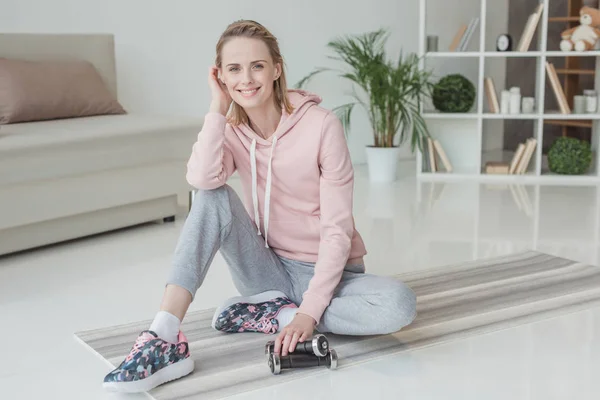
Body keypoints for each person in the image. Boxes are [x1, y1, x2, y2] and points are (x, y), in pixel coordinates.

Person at [102, 19, 417, 393]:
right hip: (267, 271)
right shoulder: (233, 130)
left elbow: (337, 229)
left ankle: (276, 313)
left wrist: (308, 313)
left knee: (400, 304)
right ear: (220, 76)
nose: (246, 79)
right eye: (234, 69)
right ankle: (164, 335)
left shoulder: (321, 126)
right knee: (212, 196)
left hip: (331, 273)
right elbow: (202, 180)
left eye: (257, 66)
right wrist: (217, 109)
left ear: (276, 70)